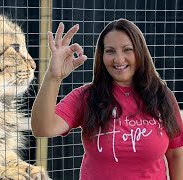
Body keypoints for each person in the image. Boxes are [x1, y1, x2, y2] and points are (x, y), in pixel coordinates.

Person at [31, 19, 183, 180]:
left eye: (127, 50)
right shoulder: (87, 96)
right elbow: (43, 128)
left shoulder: (162, 96)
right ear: (101, 56)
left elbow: (176, 154)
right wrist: (53, 77)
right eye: (110, 51)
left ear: (140, 52)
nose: (118, 59)